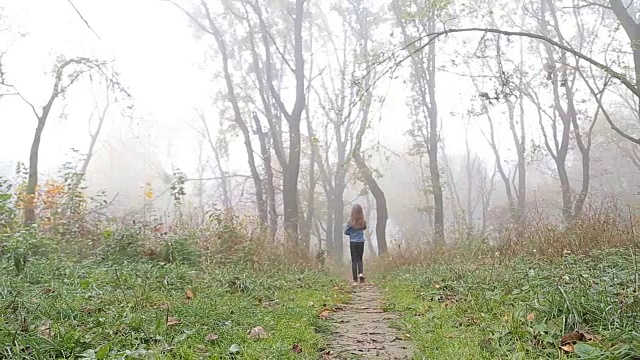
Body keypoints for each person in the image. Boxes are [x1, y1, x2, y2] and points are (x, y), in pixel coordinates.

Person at [345, 204, 366, 285]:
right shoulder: (363, 222)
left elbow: (346, 232)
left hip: (353, 242)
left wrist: (351, 232)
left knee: (354, 260)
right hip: (361, 242)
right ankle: (360, 274)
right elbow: (364, 228)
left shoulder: (350, 222)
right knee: (360, 259)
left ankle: (355, 279)